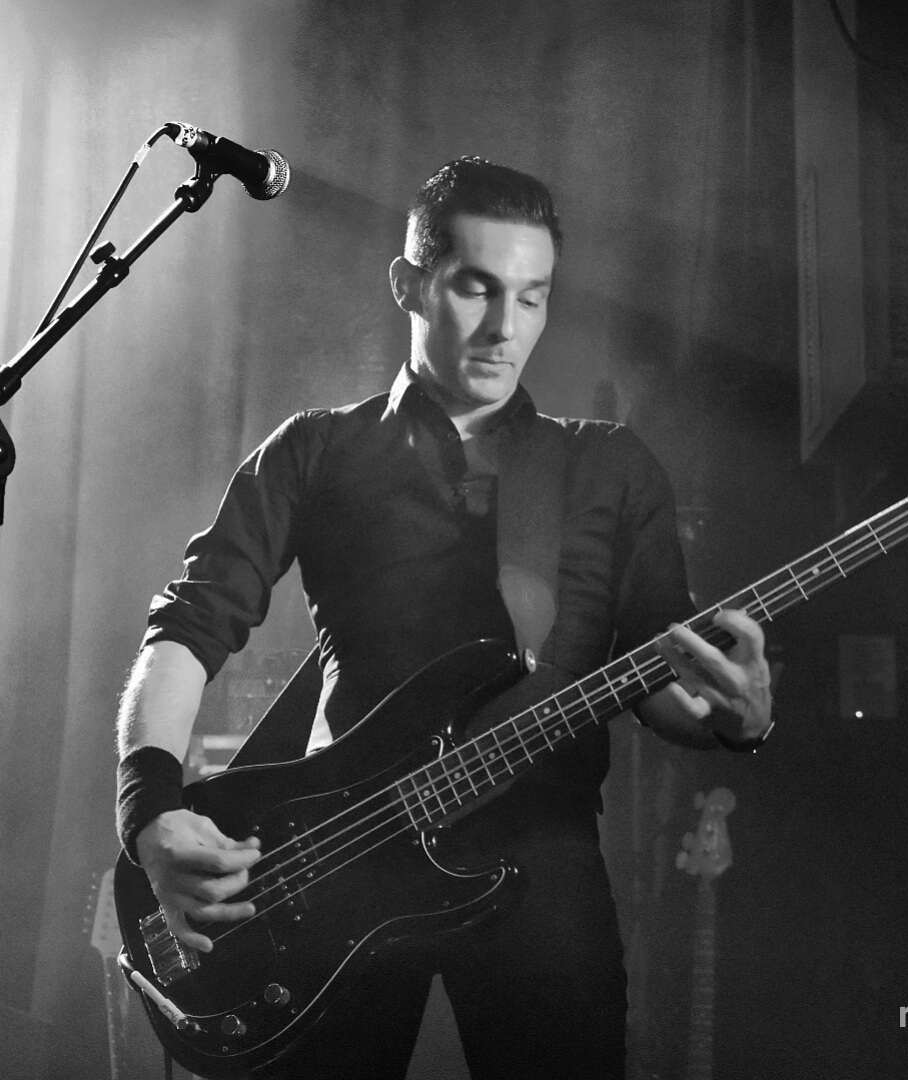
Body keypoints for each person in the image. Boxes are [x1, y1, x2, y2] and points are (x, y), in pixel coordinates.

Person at [114, 157, 773, 1079]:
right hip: (335, 858)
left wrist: (736, 718)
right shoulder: (316, 449)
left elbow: (660, 681)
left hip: (540, 863)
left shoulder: (609, 467)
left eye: (533, 298)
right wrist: (148, 809)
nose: (507, 327)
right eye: (476, 288)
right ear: (408, 284)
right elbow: (189, 627)